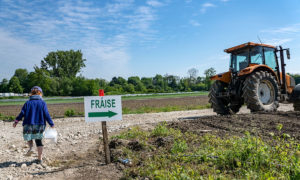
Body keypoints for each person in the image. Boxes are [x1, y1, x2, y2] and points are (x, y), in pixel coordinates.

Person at [13, 86, 54, 164]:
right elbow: (46, 114)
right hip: (39, 124)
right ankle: (39, 159)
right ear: (40, 93)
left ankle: (31, 148)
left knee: (29, 137)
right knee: (38, 141)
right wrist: (51, 123)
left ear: (31, 93)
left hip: (28, 124)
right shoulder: (42, 103)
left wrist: (16, 121)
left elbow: (22, 113)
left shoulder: (27, 103)